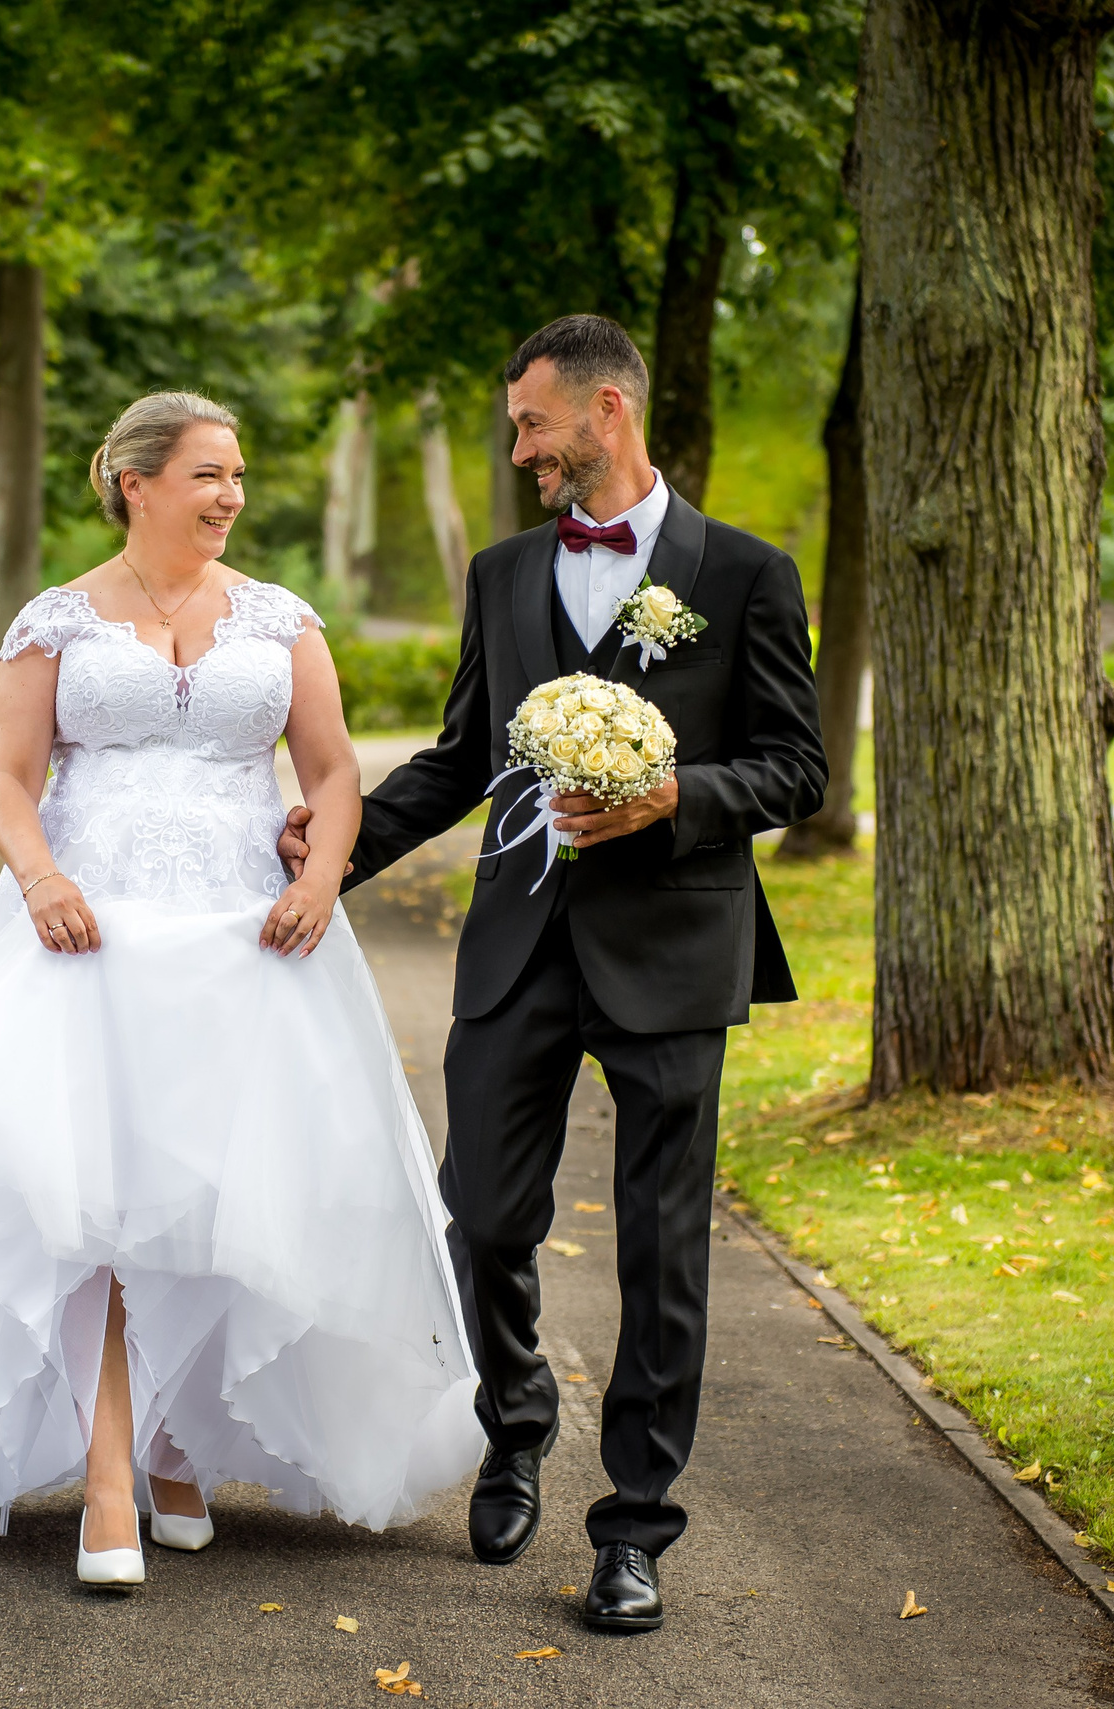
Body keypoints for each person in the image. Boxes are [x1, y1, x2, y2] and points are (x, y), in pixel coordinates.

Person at [0, 391, 483, 1590]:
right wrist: (39, 880)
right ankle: (110, 1472)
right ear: (136, 482)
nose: (231, 496)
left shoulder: (281, 619)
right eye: (208, 474)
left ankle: (177, 1448)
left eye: (238, 475)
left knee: (223, 1198)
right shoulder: (54, 622)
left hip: (251, 939)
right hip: (85, 938)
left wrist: (323, 875)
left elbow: (334, 769)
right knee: (90, 1209)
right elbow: (8, 778)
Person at [280, 314, 825, 1633]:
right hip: (518, 943)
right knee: (481, 1214)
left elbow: (795, 767)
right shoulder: (504, 572)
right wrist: (328, 853)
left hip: (675, 950)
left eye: (532, 424)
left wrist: (673, 795)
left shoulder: (746, 573)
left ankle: (635, 1524)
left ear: (606, 411)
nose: (521, 449)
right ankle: (514, 1423)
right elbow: (466, 755)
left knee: (662, 1248)